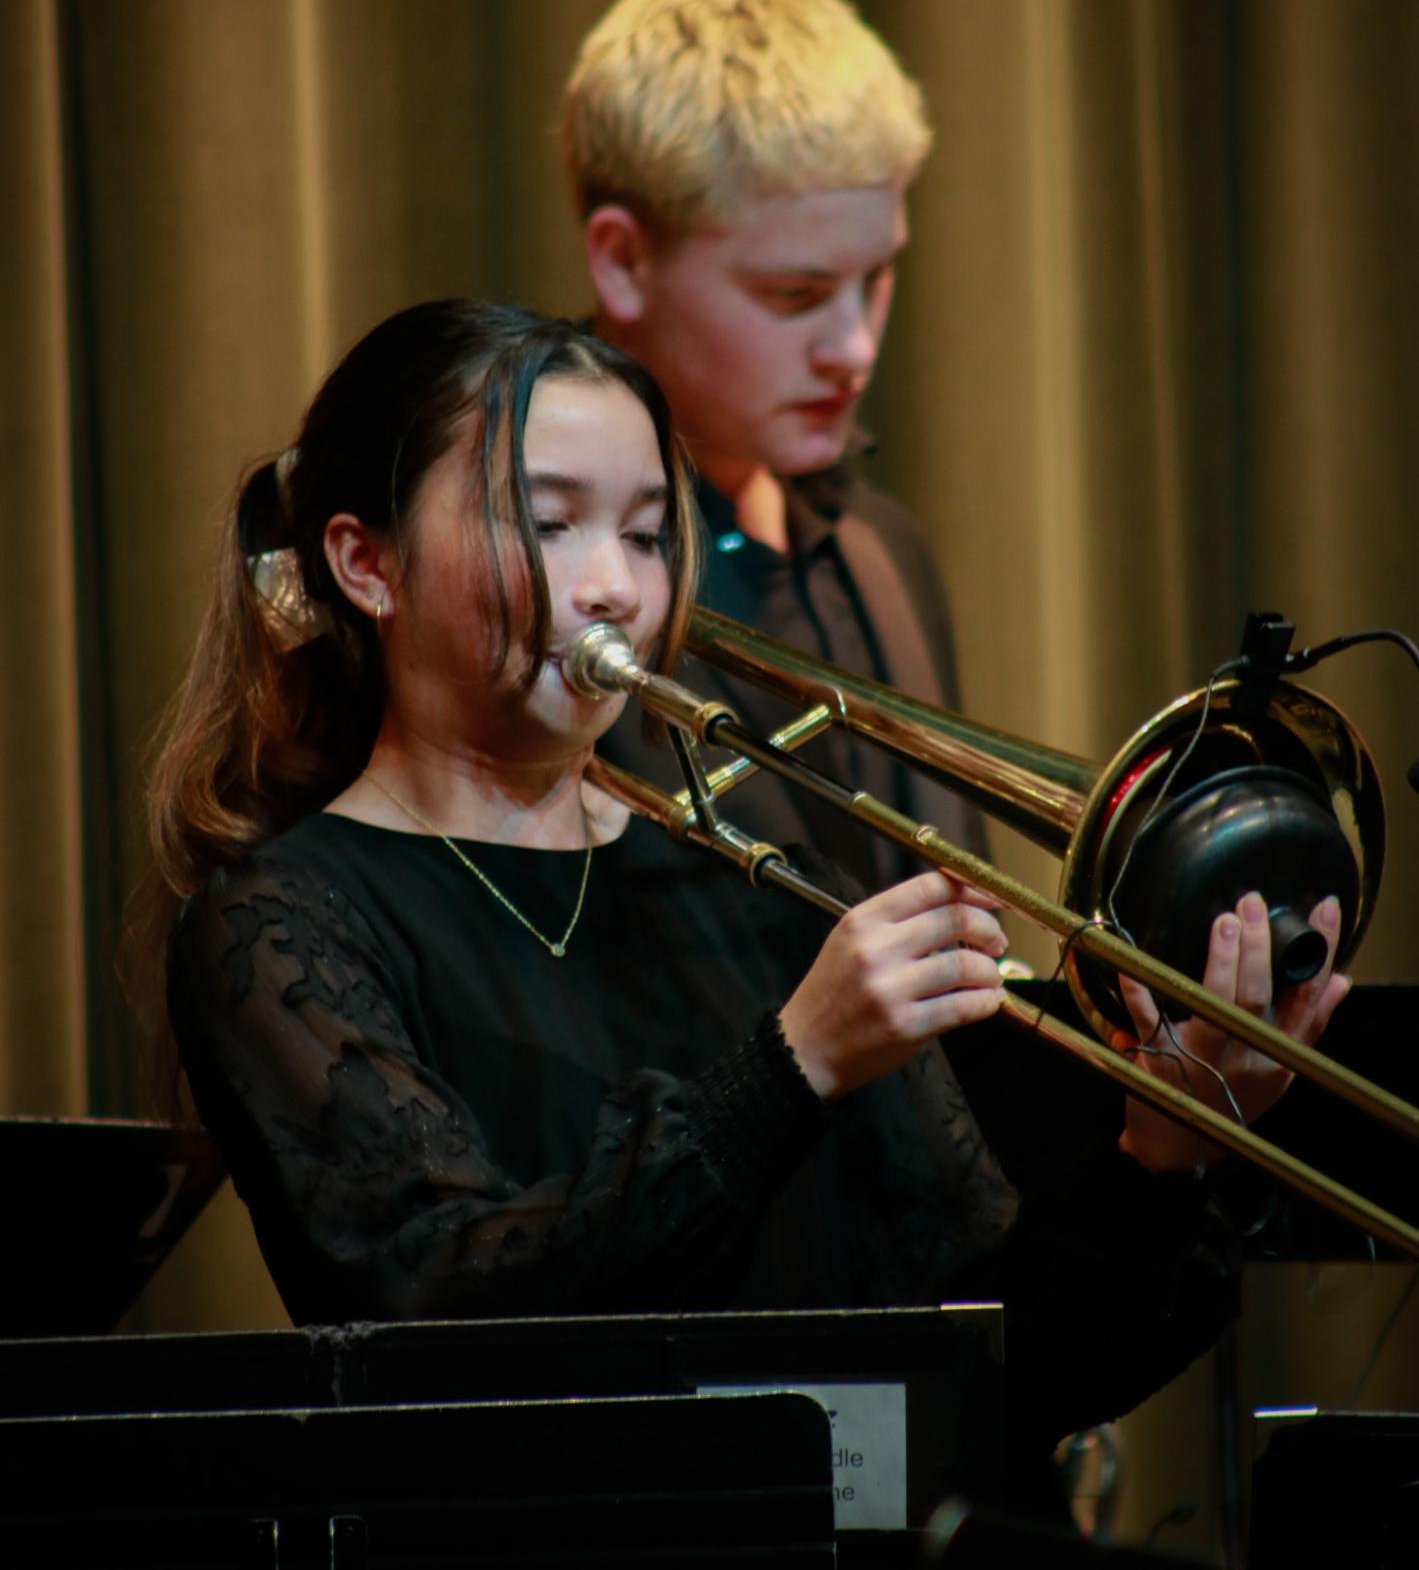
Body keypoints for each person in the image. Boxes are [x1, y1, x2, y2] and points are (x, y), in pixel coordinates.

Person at [132, 298, 1347, 1475]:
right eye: (547, 524)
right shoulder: (279, 925)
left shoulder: (767, 891)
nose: (614, 584)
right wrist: (790, 1069)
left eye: (650, 533)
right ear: (366, 564)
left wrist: (1165, 1155)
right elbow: (446, 1315)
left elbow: (995, 1375)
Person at [562, 0, 981, 896]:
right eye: (794, 294)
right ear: (623, 261)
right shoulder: (551, 592)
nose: (854, 347)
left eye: (875, 279)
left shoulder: (886, 548)